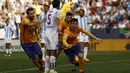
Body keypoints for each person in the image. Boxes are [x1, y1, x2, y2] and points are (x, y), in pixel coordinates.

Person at [20, 7, 45, 72]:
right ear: (28, 15)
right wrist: (40, 22)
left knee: (40, 53)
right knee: (33, 58)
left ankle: (40, 62)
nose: (33, 15)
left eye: (33, 13)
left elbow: (36, 29)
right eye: (31, 14)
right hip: (25, 43)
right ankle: (40, 68)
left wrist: (38, 36)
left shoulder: (35, 20)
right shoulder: (24, 20)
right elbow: (30, 24)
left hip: (33, 41)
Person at [44, 0, 60, 73]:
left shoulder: (48, 12)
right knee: (53, 52)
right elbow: (57, 19)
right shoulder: (57, 11)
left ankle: (46, 69)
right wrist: (60, 27)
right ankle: (52, 70)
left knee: (48, 51)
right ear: (59, 5)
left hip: (47, 32)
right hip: (53, 34)